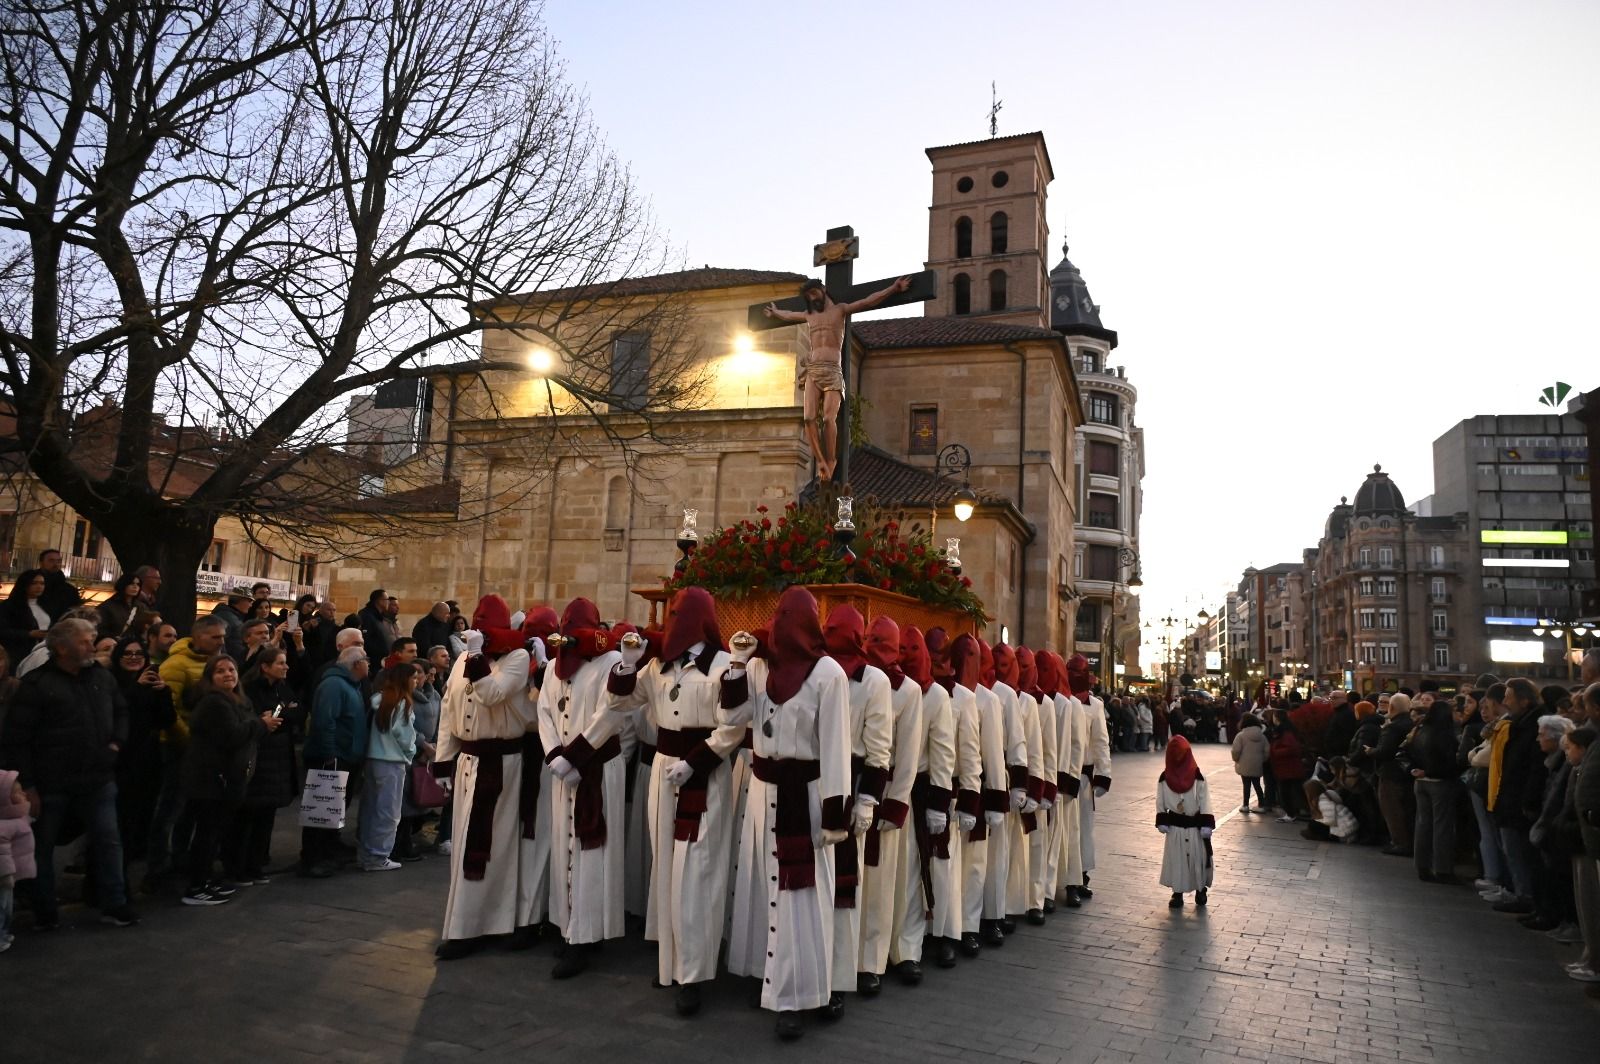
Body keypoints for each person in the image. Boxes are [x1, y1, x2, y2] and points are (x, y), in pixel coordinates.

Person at [606, 587, 744, 1015]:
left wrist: (697, 762)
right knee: (665, 866)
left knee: (697, 871)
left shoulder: (725, 666)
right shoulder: (658, 665)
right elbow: (621, 702)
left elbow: (734, 726)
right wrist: (626, 665)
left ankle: (695, 972)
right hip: (664, 773)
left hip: (702, 773)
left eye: (680, 612)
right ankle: (671, 961)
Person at [720, 586, 850, 1041]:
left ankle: (800, 993)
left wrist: (836, 814)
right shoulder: (759, 666)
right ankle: (768, 976)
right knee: (764, 885)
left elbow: (836, 746)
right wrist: (736, 664)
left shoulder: (827, 673)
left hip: (805, 796)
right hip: (763, 791)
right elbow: (733, 718)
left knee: (803, 897)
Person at [0, 617, 137, 928]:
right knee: (42, 847)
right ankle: (45, 911)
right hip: (52, 782)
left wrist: (116, 743)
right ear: (62, 647)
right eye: (84, 640)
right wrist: (29, 784)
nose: (92, 645)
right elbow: (17, 738)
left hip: (97, 777)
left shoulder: (100, 676)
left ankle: (115, 903)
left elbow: (120, 710)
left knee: (108, 841)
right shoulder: (37, 685)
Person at [433, 596, 544, 959]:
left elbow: (492, 695)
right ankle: (465, 921)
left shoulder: (516, 659)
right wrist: (443, 761)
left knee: (494, 844)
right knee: (467, 840)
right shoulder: (466, 659)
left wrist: (479, 658)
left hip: (502, 762)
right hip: (469, 760)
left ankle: (486, 923)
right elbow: (450, 710)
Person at [538, 598, 626, 979]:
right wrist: (556, 755)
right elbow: (545, 710)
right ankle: (566, 923)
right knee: (563, 846)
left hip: (598, 767)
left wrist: (575, 755)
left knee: (593, 851)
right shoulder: (554, 667)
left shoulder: (609, 664)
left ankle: (588, 932)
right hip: (563, 770)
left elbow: (610, 712)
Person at [762, 275, 911, 481]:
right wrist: (775, 312)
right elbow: (787, 315)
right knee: (808, 418)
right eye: (809, 296)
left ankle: (831, 460)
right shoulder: (809, 315)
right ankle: (821, 461)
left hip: (832, 370)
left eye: (814, 293)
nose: (812, 298)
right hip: (813, 370)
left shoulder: (840, 310)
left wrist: (894, 288)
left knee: (828, 418)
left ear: (822, 289)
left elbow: (868, 301)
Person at [820, 605, 892, 1014]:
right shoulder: (817, 671)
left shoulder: (873, 680)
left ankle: (840, 974)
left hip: (851, 780)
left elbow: (879, 748)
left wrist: (867, 799)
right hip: (817, 783)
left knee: (845, 887)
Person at [856, 616, 922, 992]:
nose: (876, 644)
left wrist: (894, 803)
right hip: (856, 790)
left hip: (886, 793)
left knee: (882, 882)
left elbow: (909, 753)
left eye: (885, 639)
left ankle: (873, 960)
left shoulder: (908, 691)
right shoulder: (854, 678)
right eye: (871, 637)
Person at [889, 625, 956, 980]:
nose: (906, 655)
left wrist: (938, 805)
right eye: (900, 648)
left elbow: (944, 753)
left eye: (913, 649)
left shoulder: (936, 697)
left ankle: (916, 945)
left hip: (922, 790)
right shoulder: (882, 684)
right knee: (893, 873)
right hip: (885, 789)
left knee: (923, 870)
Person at [182, 654, 274, 904]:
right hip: (211, 779)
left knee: (214, 834)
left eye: (231, 670)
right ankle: (196, 886)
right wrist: (261, 724)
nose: (228, 675)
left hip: (226, 779)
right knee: (207, 834)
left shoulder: (236, 701)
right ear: (210, 677)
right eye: (220, 671)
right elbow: (233, 735)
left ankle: (206, 880)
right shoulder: (214, 703)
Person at [227, 647, 304, 884]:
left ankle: (256, 863)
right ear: (265, 666)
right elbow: (259, 721)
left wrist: (279, 718)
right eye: (281, 663)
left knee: (266, 815)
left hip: (277, 757)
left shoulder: (282, 686)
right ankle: (238, 866)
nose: (286, 667)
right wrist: (271, 720)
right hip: (259, 757)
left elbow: (296, 712)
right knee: (247, 816)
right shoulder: (250, 690)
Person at [299, 647, 369, 878]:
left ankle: (328, 850)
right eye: (366, 660)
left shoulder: (351, 685)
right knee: (321, 808)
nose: (369, 664)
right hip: (333, 758)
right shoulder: (333, 685)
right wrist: (330, 753)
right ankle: (313, 857)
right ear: (357, 664)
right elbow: (324, 721)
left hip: (346, 756)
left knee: (335, 808)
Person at [110, 636, 173, 867]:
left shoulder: (152, 684)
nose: (134, 658)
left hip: (148, 760)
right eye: (128, 653)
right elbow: (118, 712)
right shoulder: (111, 682)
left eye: (139, 654)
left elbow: (166, 720)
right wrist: (136, 688)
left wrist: (163, 692)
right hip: (120, 760)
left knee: (143, 815)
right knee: (120, 821)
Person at [1490, 678, 1547, 914]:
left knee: (1522, 853)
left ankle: (1527, 896)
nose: (1505, 702)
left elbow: (1534, 768)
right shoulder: (1517, 725)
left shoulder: (1532, 727)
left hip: (1520, 801)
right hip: (1512, 798)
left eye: (1508, 697)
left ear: (1524, 700)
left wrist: (1528, 801)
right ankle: (1523, 893)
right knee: (1513, 850)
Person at [359, 663, 423, 873]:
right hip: (392, 761)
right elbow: (404, 735)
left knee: (370, 808)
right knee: (388, 811)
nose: (416, 681)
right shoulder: (402, 702)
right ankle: (378, 856)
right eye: (413, 678)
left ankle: (366, 853)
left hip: (373, 759)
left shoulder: (378, 698)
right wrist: (410, 753)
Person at [1409, 695, 1461, 883]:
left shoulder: (1421, 730)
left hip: (1421, 781)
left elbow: (1410, 751)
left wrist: (1417, 770)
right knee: (1442, 826)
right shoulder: (1445, 734)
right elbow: (1448, 761)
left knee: (1423, 824)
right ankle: (1443, 868)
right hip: (1439, 782)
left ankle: (1422, 866)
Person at [1156, 736, 1213, 908]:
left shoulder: (1198, 776)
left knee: (1198, 858)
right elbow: (1160, 801)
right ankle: (1177, 893)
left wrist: (1206, 823)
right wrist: (1161, 819)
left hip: (1195, 827)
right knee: (1177, 860)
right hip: (1175, 827)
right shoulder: (1164, 777)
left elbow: (1205, 801)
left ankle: (1200, 889)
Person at [0, 768, 36, 951]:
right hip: (4, 877)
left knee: (6, 907)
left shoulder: (16, 817)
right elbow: (2, 855)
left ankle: (4, 932)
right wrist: (6, 875)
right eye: (17, 792)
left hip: (9, 876)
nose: (23, 794)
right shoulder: (5, 825)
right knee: (2, 907)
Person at [0, 568, 50, 667]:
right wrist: (28, 634)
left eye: (42, 583)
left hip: (41, 655)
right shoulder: (9, 606)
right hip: (17, 655)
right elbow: (2, 631)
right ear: (25, 584)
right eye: (34, 583)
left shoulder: (46, 606)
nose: (39, 587)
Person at [1230, 714, 1269, 813]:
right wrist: (1262, 760)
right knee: (1257, 784)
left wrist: (1236, 759)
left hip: (1244, 763)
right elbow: (1267, 751)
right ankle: (1261, 805)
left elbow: (1236, 750)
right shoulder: (1262, 736)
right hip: (1258, 764)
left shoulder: (1241, 736)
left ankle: (1245, 805)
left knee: (1246, 784)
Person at [36, 549, 83, 620]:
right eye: (51, 561)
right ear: (41, 563)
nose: (56, 564)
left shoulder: (70, 590)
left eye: (58, 561)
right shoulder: (29, 583)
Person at [97, 573, 144, 641]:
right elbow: (100, 629)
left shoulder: (141, 606)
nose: (135, 587)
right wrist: (113, 638)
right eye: (131, 583)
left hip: (135, 646)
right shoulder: (107, 606)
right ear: (123, 585)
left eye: (138, 584)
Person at [210, 590, 252, 661]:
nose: (250, 605)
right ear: (240, 600)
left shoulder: (233, 617)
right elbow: (218, 642)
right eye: (249, 601)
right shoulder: (228, 618)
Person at [357, 590, 394, 668]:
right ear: (379, 601)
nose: (389, 602)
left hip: (380, 661)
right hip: (373, 662)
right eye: (387, 600)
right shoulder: (367, 616)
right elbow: (365, 639)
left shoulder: (379, 617)